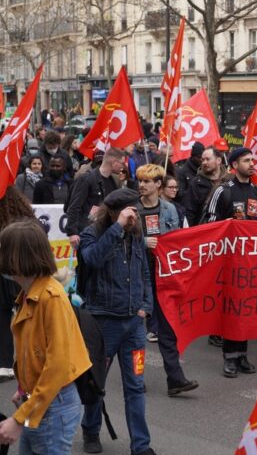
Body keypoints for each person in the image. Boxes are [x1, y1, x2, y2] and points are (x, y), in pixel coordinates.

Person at [0, 220, 91, 454]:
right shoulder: (29, 293)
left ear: (17, 256)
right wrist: (23, 389)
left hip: (52, 407)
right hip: (39, 402)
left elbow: (57, 367)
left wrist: (19, 419)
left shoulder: (51, 298)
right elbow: (35, 353)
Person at [78, 188, 156, 455]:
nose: (135, 215)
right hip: (103, 324)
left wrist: (146, 306)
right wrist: (117, 228)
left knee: (135, 385)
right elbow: (92, 259)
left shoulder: (136, 234)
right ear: (114, 211)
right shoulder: (94, 234)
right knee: (96, 382)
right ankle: (90, 429)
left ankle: (141, 446)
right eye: (130, 211)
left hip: (133, 325)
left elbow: (144, 272)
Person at [205, 147, 257, 378]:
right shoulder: (223, 191)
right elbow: (208, 224)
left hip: (251, 263)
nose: (251, 164)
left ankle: (242, 354)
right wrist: (227, 226)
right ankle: (229, 357)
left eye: (252, 160)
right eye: (246, 160)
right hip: (228, 263)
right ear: (234, 165)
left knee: (247, 309)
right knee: (231, 309)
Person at [135, 164, 198, 397]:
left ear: (158, 185)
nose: (142, 185)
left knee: (167, 330)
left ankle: (175, 379)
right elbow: (119, 239)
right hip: (137, 275)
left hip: (162, 275)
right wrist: (143, 242)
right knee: (136, 332)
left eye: (147, 181)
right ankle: (135, 377)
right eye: (140, 181)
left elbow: (178, 241)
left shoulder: (170, 210)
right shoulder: (131, 210)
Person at [0, 187, 37, 384]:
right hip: (23, 277)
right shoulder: (24, 216)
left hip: (7, 275)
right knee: (24, 318)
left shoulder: (9, 225)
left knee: (4, 318)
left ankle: (6, 362)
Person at [65, 147, 128, 249]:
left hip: (105, 233)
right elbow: (74, 206)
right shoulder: (86, 179)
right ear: (113, 162)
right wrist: (72, 233)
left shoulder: (114, 182)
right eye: (121, 163)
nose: (123, 167)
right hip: (87, 232)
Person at [185, 147, 230, 226]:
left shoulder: (229, 181)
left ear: (218, 160)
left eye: (208, 159)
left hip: (224, 231)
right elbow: (189, 212)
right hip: (202, 230)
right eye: (202, 160)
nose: (204, 162)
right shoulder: (196, 183)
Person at [175, 141, 204, 207]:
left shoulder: (205, 169)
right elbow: (180, 194)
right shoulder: (182, 172)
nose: (201, 160)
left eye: (203, 158)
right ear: (193, 156)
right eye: (199, 157)